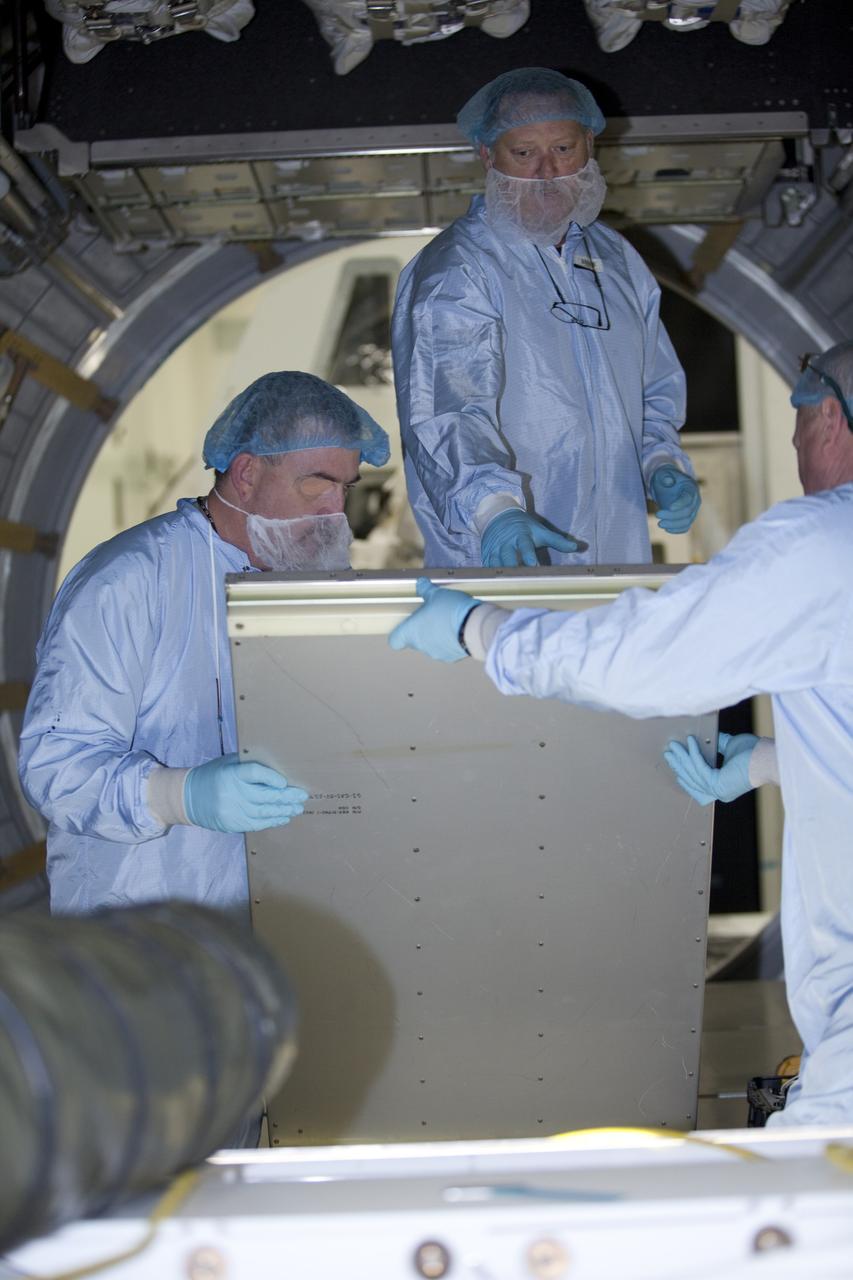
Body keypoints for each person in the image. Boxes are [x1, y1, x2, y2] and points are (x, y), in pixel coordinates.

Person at [389, 341, 853, 1127]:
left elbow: (643, 661)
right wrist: (772, 763)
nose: (797, 447)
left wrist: (483, 629)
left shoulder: (821, 544)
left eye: (800, 425)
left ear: (832, 418)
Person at [19, 371, 390, 920]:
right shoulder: (128, 580)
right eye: (316, 483)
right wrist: (180, 796)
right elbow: (55, 767)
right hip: (140, 926)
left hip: (278, 918)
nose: (334, 510)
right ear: (245, 473)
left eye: (345, 488)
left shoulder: (303, 583)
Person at [391, 66, 700, 570]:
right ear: (487, 155)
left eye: (563, 149)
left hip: (618, 555)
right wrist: (494, 510)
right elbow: (447, 410)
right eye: (524, 153)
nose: (546, 171)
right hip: (508, 553)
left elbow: (652, 389)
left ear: (591, 145)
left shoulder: (617, 260)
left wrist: (660, 463)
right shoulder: (459, 267)